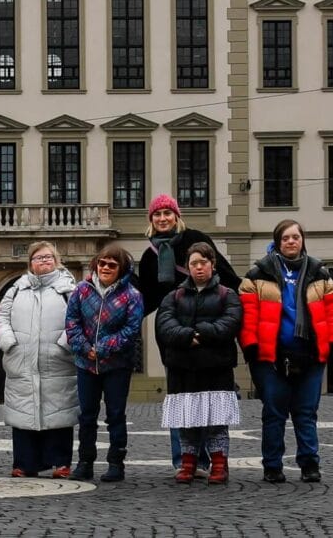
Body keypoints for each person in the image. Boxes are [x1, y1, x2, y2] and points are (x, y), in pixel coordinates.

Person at [136, 193, 241, 476]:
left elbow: (229, 278)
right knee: (181, 400)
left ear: (176, 216)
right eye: (157, 215)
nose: (162, 219)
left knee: (211, 400)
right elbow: (146, 300)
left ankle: (214, 460)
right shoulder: (149, 256)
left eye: (167, 213)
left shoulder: (196, 238)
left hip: (210, 338)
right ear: (151, 220)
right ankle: (185, 461)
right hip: (176, 339)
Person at [239, 219, 333, 484]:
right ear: (277, 241)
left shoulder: (320, 274)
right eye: (285, 237)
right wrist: (251, 347)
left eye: (295, 237)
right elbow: (248, 316)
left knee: (306, 413)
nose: (291, 241)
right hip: (271, 357)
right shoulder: (256, 275)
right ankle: (272, 465)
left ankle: (309, 464)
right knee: (273, 413)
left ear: (302, 240)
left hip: (310, 356)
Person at [155, 242, 242, 486]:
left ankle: (219, 465)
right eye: (194, 263)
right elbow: (165, 325)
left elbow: (230, 323)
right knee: (187, 421)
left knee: (216, 423)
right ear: (188, 267)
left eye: (203, 262)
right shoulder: (174, 296)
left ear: (212, 265)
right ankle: (188, 464)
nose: (198, 267)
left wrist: (199, 334)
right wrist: (186, 336)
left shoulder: (228, 295)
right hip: (183, 369)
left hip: (216, 369)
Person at [0, 241, 79, 479]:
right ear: (30, 263)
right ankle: (24, 463)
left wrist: (64, 344)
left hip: (58, 362)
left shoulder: (68, 289)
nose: (43, 261)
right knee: (23, 414)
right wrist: (9, 342)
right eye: (38, 258)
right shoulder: (16, 289)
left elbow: (79, 318)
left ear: (56, 260)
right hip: (22, 361)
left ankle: (60, 462)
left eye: (47, 257)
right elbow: (0, 317)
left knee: (59, 413)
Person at [66, 243, 144, 483]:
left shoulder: (132, 296)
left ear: (121, 269)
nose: (106, 268)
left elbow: (131, 330)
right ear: (95, 265)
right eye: (102, 263)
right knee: (87, 416)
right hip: (85, 364)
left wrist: (101, 349)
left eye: (112, 264)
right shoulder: (81, 290)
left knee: (116, 415)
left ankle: (116, 463)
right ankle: (85, 462)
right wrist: (85, 348)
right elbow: (71, 323)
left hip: (117, 365)